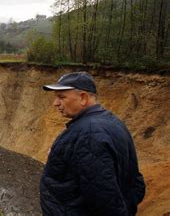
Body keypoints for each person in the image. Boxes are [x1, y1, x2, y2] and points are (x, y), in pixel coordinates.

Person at [40, 71, 145, 215]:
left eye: (61, 97)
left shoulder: (88, 134)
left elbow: (103, 196)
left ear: (83, 98)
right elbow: (136, 183)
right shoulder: (112, 122)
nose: (55, 103)